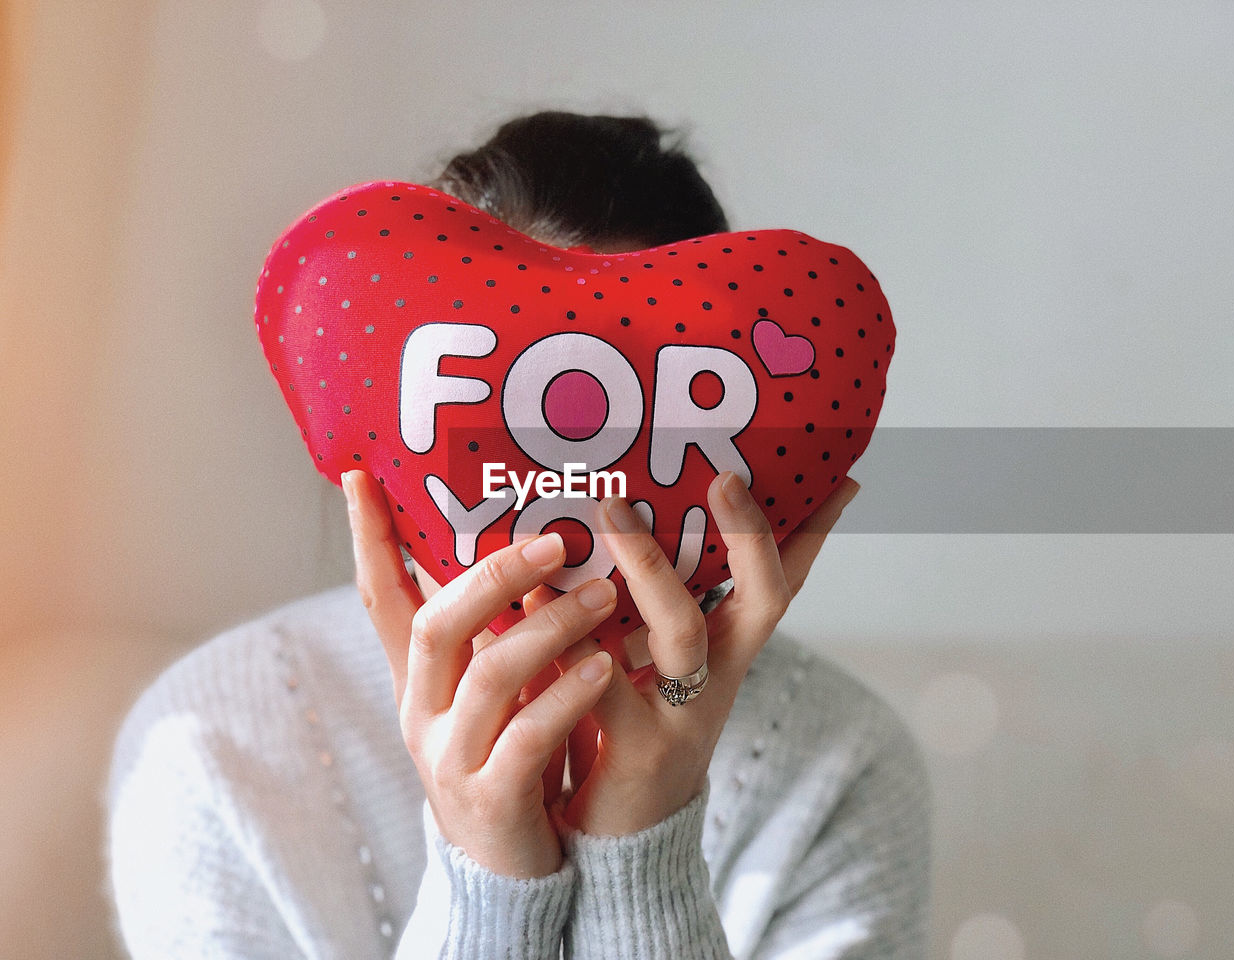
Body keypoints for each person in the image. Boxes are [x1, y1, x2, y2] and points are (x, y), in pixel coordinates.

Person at [105, 111, 932, 959]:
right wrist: (486, 879)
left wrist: (644, 852)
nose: (573, 499)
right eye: (502, 427)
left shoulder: (843, 764)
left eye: (646, 444)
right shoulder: (209, 750)